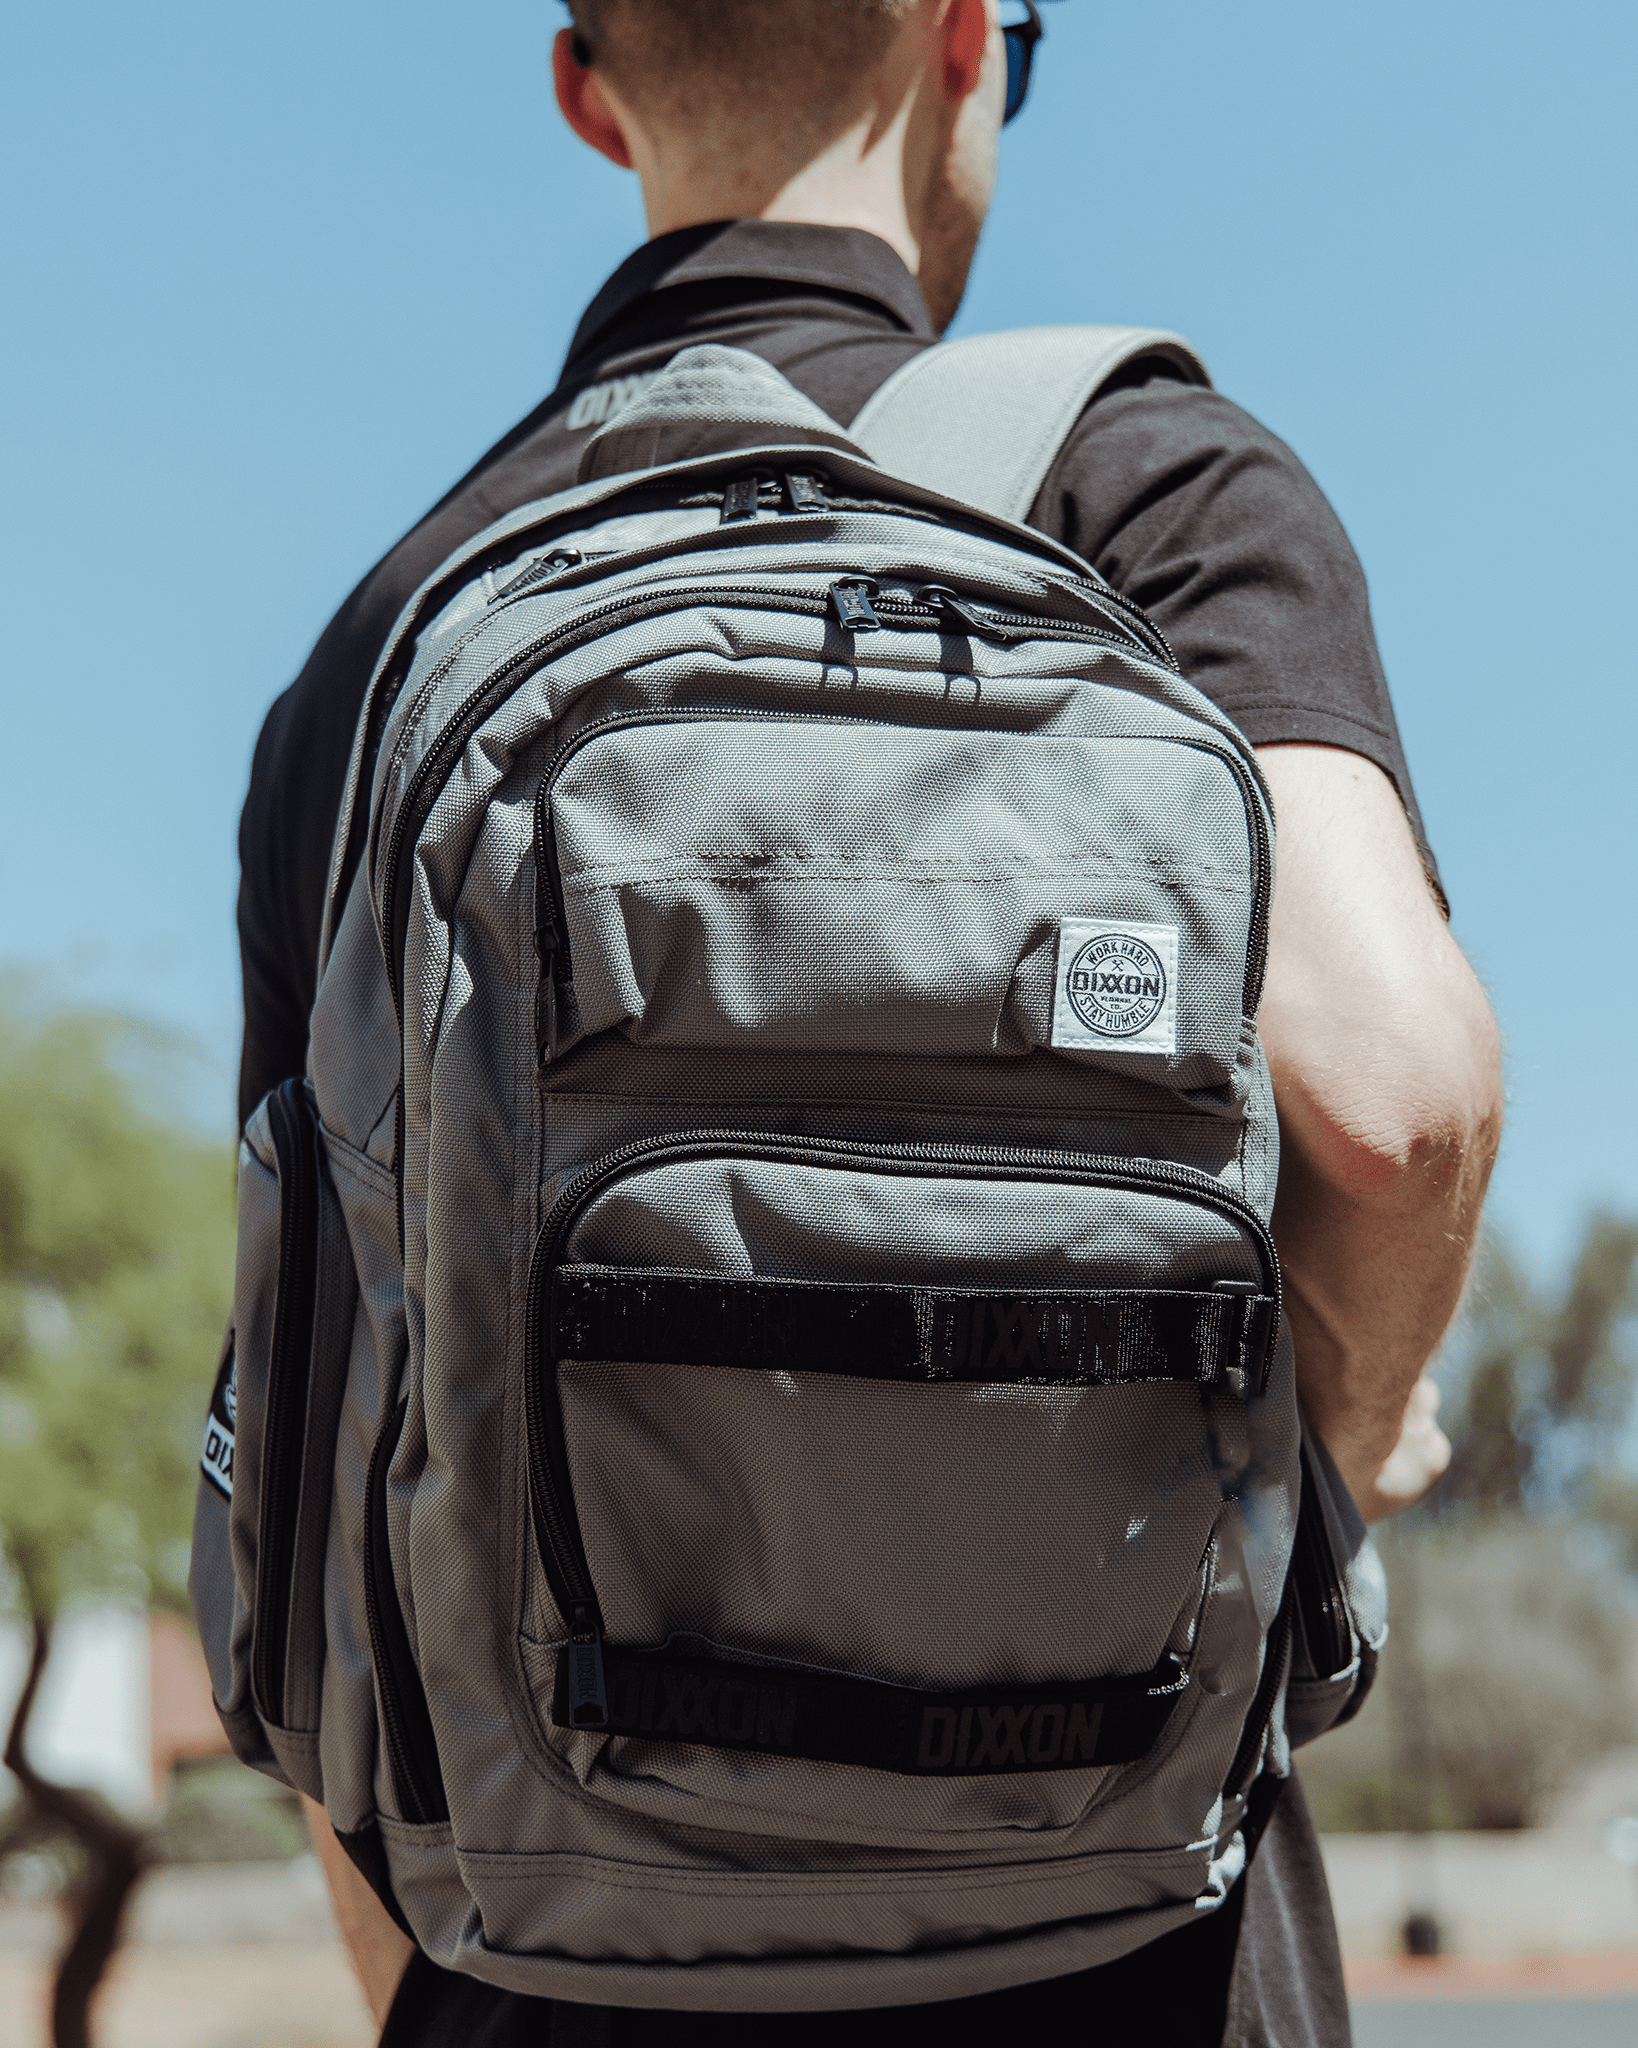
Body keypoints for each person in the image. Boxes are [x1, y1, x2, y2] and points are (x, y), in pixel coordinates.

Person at [237, 3, 1502, 2041]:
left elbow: (294, 1479)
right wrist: (1324, 1468)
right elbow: (1392, 1097)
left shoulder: (390, 649)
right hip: (1130, 1956)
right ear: (962, 41)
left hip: (550, 1962)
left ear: (588, 93)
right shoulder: (1144, 478)